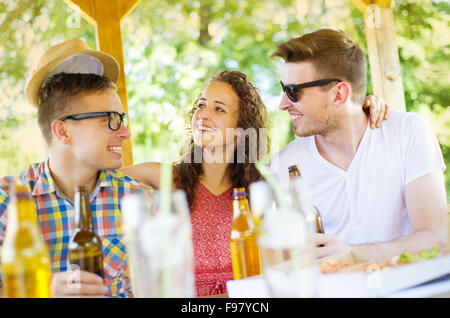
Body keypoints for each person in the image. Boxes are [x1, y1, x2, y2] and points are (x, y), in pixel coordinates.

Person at [120, 70, 389, 296]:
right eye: (201, 104)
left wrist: (362, 108)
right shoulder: (165, 177)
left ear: (240, 131)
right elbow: (100, 175)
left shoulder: (262, 186)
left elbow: (327, 138)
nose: (203, 114)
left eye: (219, 109)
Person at [269, 29, 448, 263]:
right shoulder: (284, 164)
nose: (283, 104)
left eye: (293, 92)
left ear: (339, 94)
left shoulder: (407, 132)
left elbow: (436, 238)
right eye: (284, 90)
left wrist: (353, 254)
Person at [0, 38, 154, 298]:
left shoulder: (139, 200)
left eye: (122, 119)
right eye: (110, 120)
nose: (125, 133)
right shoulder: (7, 203)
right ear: (63, 131)